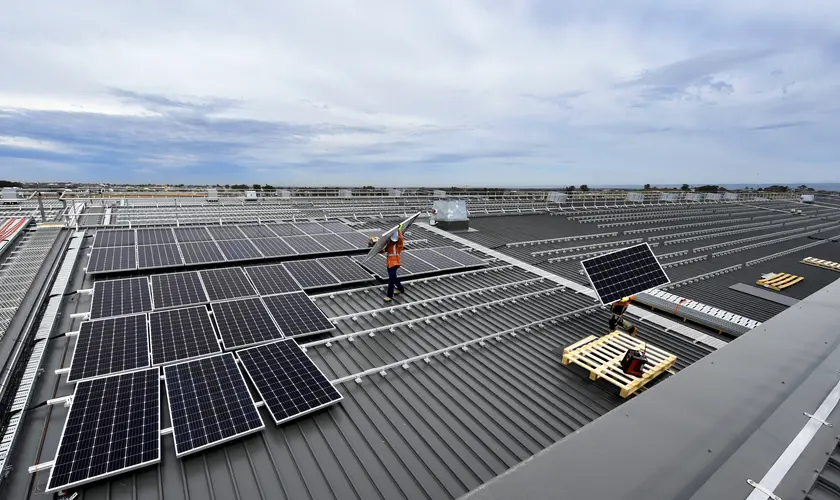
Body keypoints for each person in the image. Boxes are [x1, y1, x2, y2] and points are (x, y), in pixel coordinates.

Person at [368, 226, 405, 303]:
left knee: (391, 280)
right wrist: (375, 247)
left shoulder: (398, 245)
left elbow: (400, 239)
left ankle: (389, 296)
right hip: (389, 263)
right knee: (393, 277)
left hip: (395, 263)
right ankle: (400, 289)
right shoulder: (390, 244)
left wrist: (399, 230)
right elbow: (384, 250)